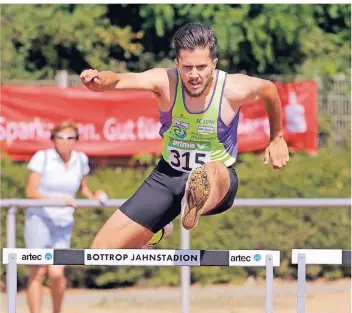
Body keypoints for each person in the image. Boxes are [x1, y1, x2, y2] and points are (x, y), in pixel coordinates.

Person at [80, 23, 289, 250]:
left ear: (214, 64)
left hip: (219, 180)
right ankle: (157, 229)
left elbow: (269, 90)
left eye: (202, 67)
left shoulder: (232, 88)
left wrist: (277, 137)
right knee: (100, 251)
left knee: (210, 171)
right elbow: (119, 79)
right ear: (176, 64)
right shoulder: (165, 82)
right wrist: (100, 80)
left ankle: (194, 198)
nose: (194, 75)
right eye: (187, 67)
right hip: (168, 176)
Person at [25, 121, 106, 313]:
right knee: (38, 272)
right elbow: (31, 192)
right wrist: (58, 199)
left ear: (76, 140)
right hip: (40, 220)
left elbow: (82, 188)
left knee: (56, 273)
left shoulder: (80, 159)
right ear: (53, 139)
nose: (65, 142)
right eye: (60, 137)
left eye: (70, 137)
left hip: (63, 222)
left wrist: (95, 197)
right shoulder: (42, 158)